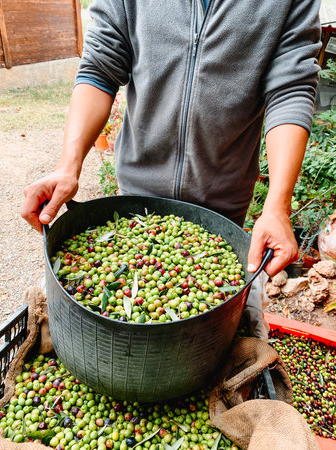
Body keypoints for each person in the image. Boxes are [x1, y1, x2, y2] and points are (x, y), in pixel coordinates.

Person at [21, 0, 321, 336]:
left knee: (214, 329)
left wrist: (278, 205)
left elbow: (291, 88)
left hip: (221, 216)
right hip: (135, 209)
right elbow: (99, 68)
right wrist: (68, 165)